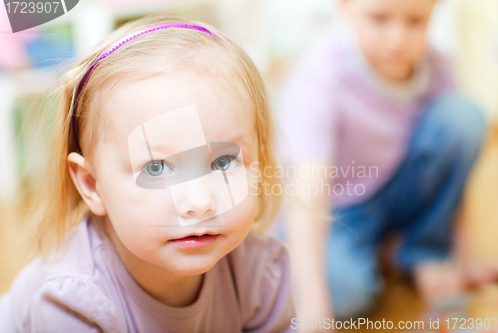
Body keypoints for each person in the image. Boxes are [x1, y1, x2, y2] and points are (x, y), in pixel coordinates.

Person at [0, 14, 294, 332]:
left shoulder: (260, 273)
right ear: (92, 185)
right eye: (156, 168)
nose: (199, 202)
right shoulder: (71, 303)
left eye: (223, 162)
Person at [279, 0, 486, 322]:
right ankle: (374, 250)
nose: (397, 40)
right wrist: (314, 309)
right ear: (344, 6)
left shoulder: (438, 67)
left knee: (465, 117)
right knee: (344, 296)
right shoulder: (321, 78)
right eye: (379, 19)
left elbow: (454, 174)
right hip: (339, 213)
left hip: (396, 193)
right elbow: (308, 194)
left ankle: (423, 248)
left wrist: (465, 255)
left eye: (415, 21)